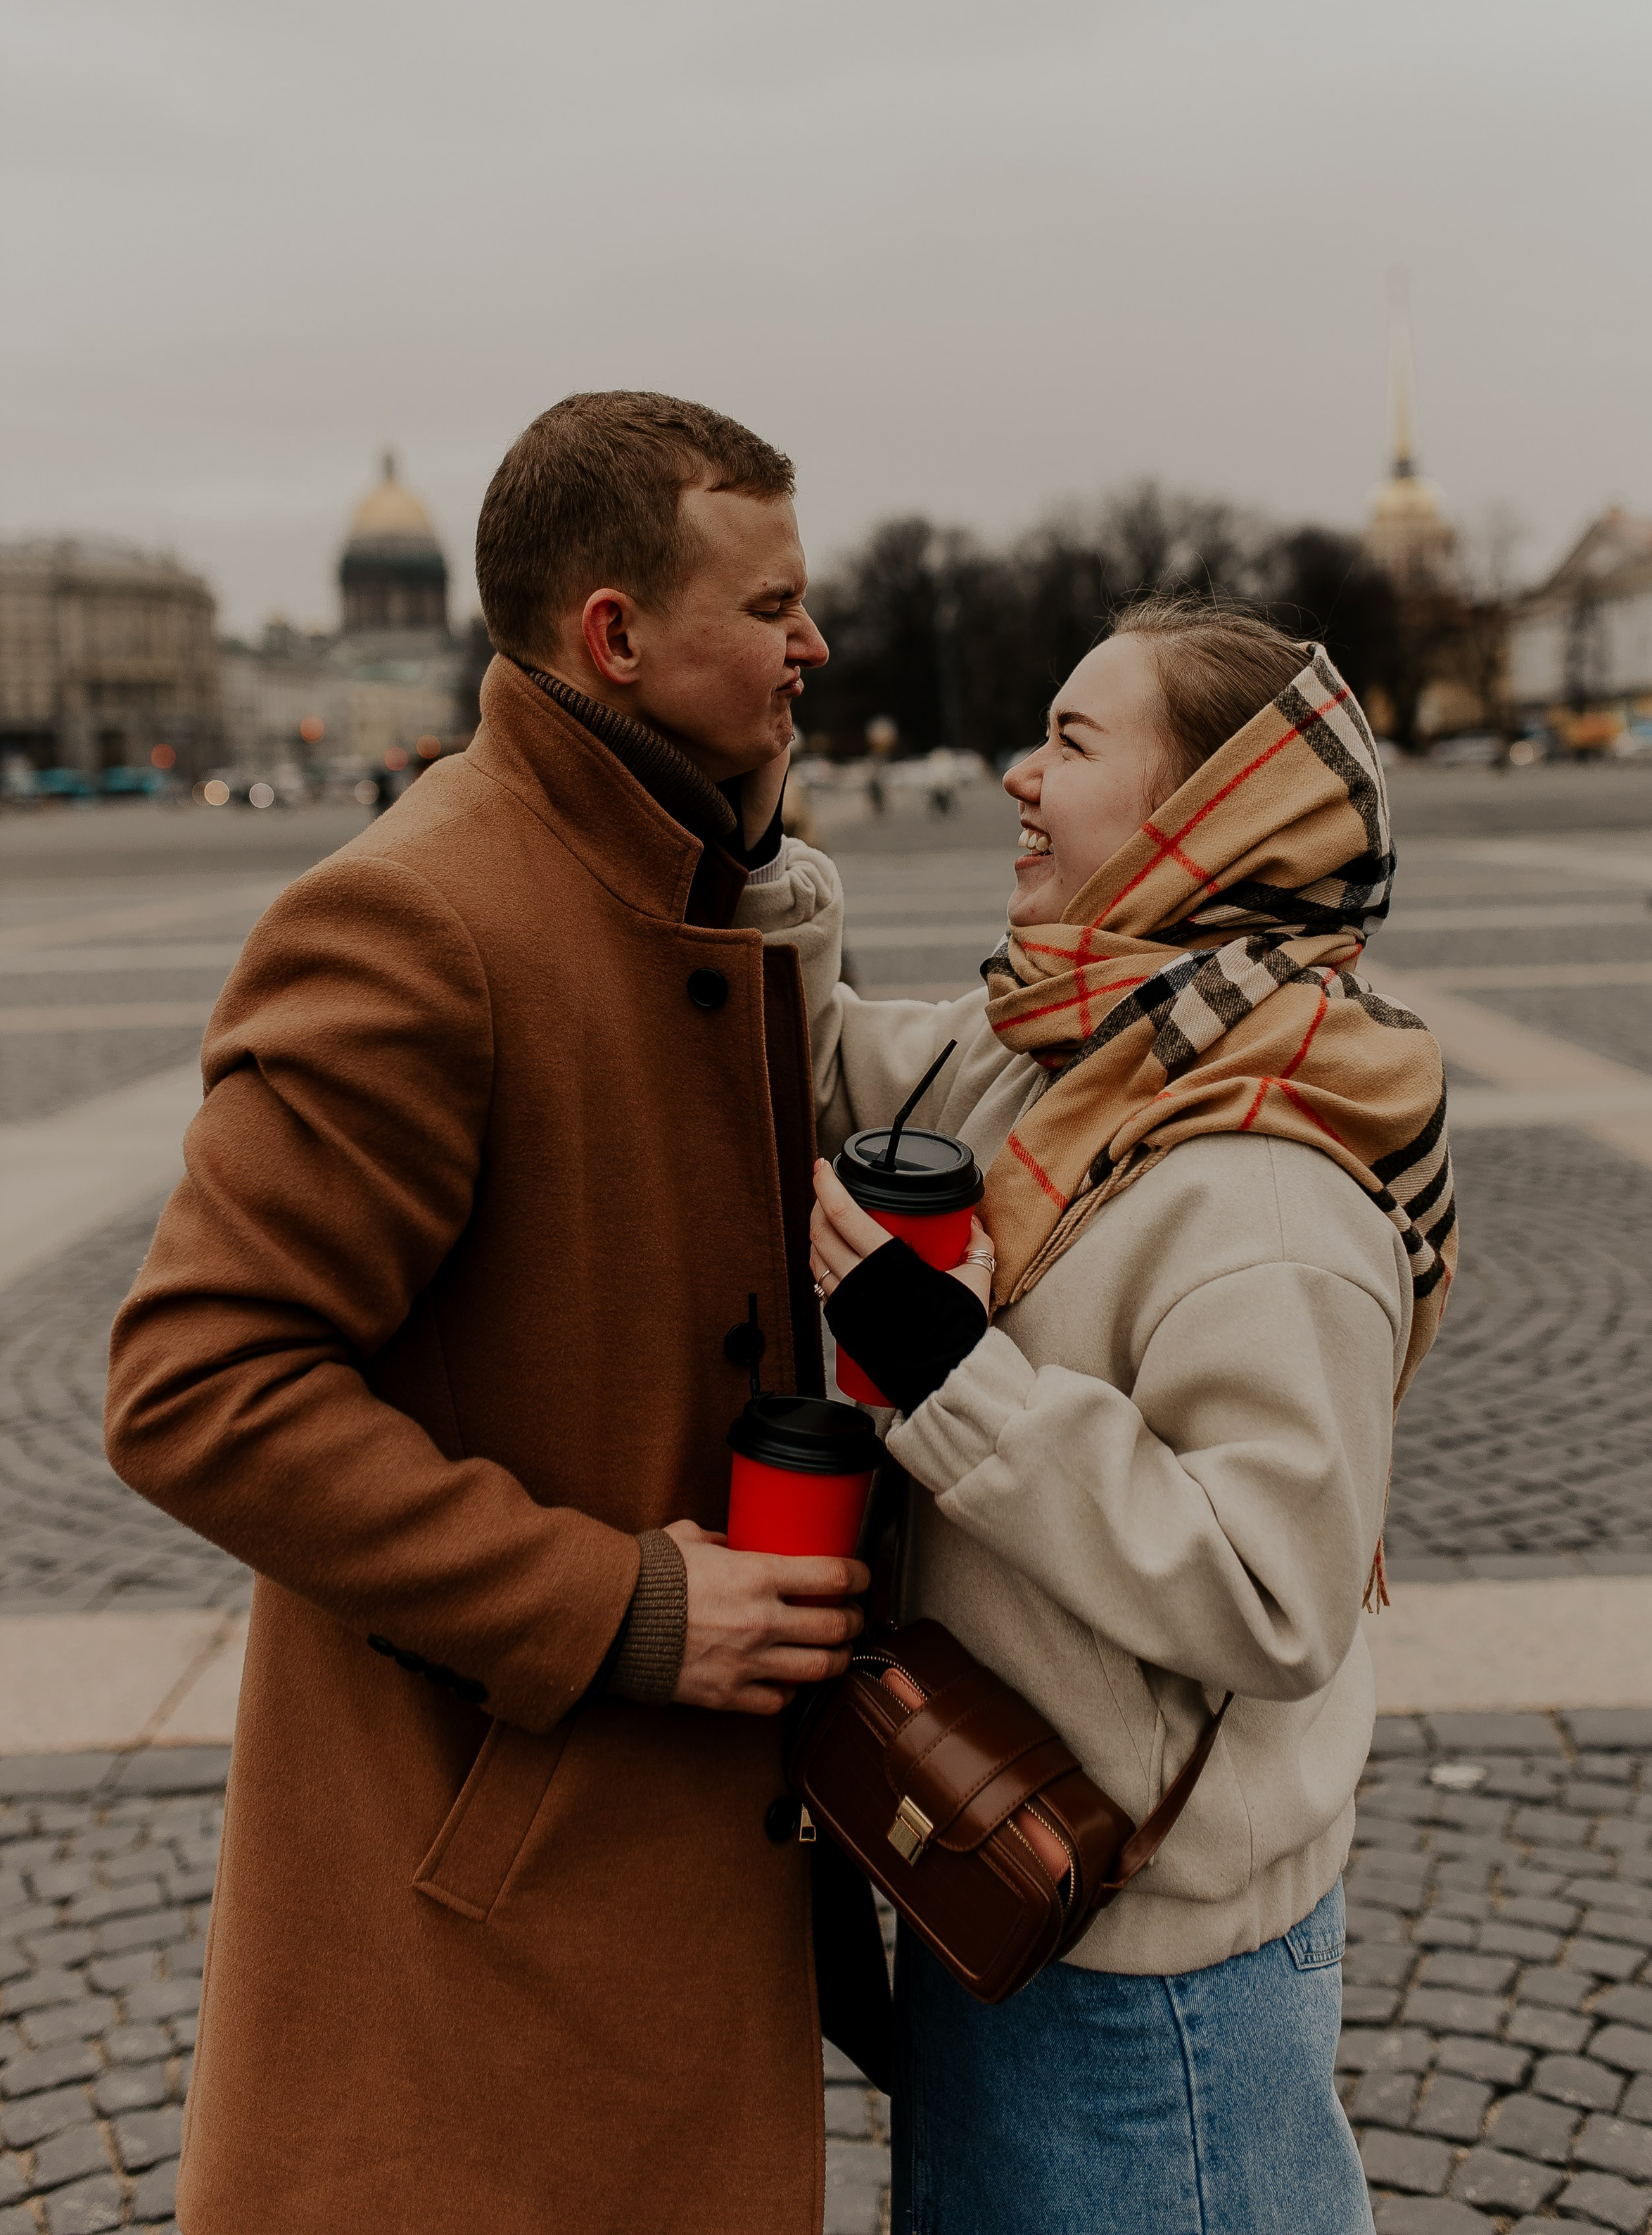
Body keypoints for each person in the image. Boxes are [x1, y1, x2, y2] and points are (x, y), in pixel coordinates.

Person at [105, 391, 889, 2235]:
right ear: (615, 637)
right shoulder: (418, 918)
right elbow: (194, 1387)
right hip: (511, 1886)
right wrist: (613, 1606)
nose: (815, 644)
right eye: (772, 606)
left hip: (646, 1862)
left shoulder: (677, 874)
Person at [743, 601, 1456, 2235]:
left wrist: (944, 1368)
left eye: (1071, 743)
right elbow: (832, 1061)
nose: (1014, 774)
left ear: (1207, 817)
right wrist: (754, 834)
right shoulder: (1064, 1047)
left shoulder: (1264, 1179)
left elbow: (1275, 1592)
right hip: (997, 1881)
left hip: (1150, 1977)